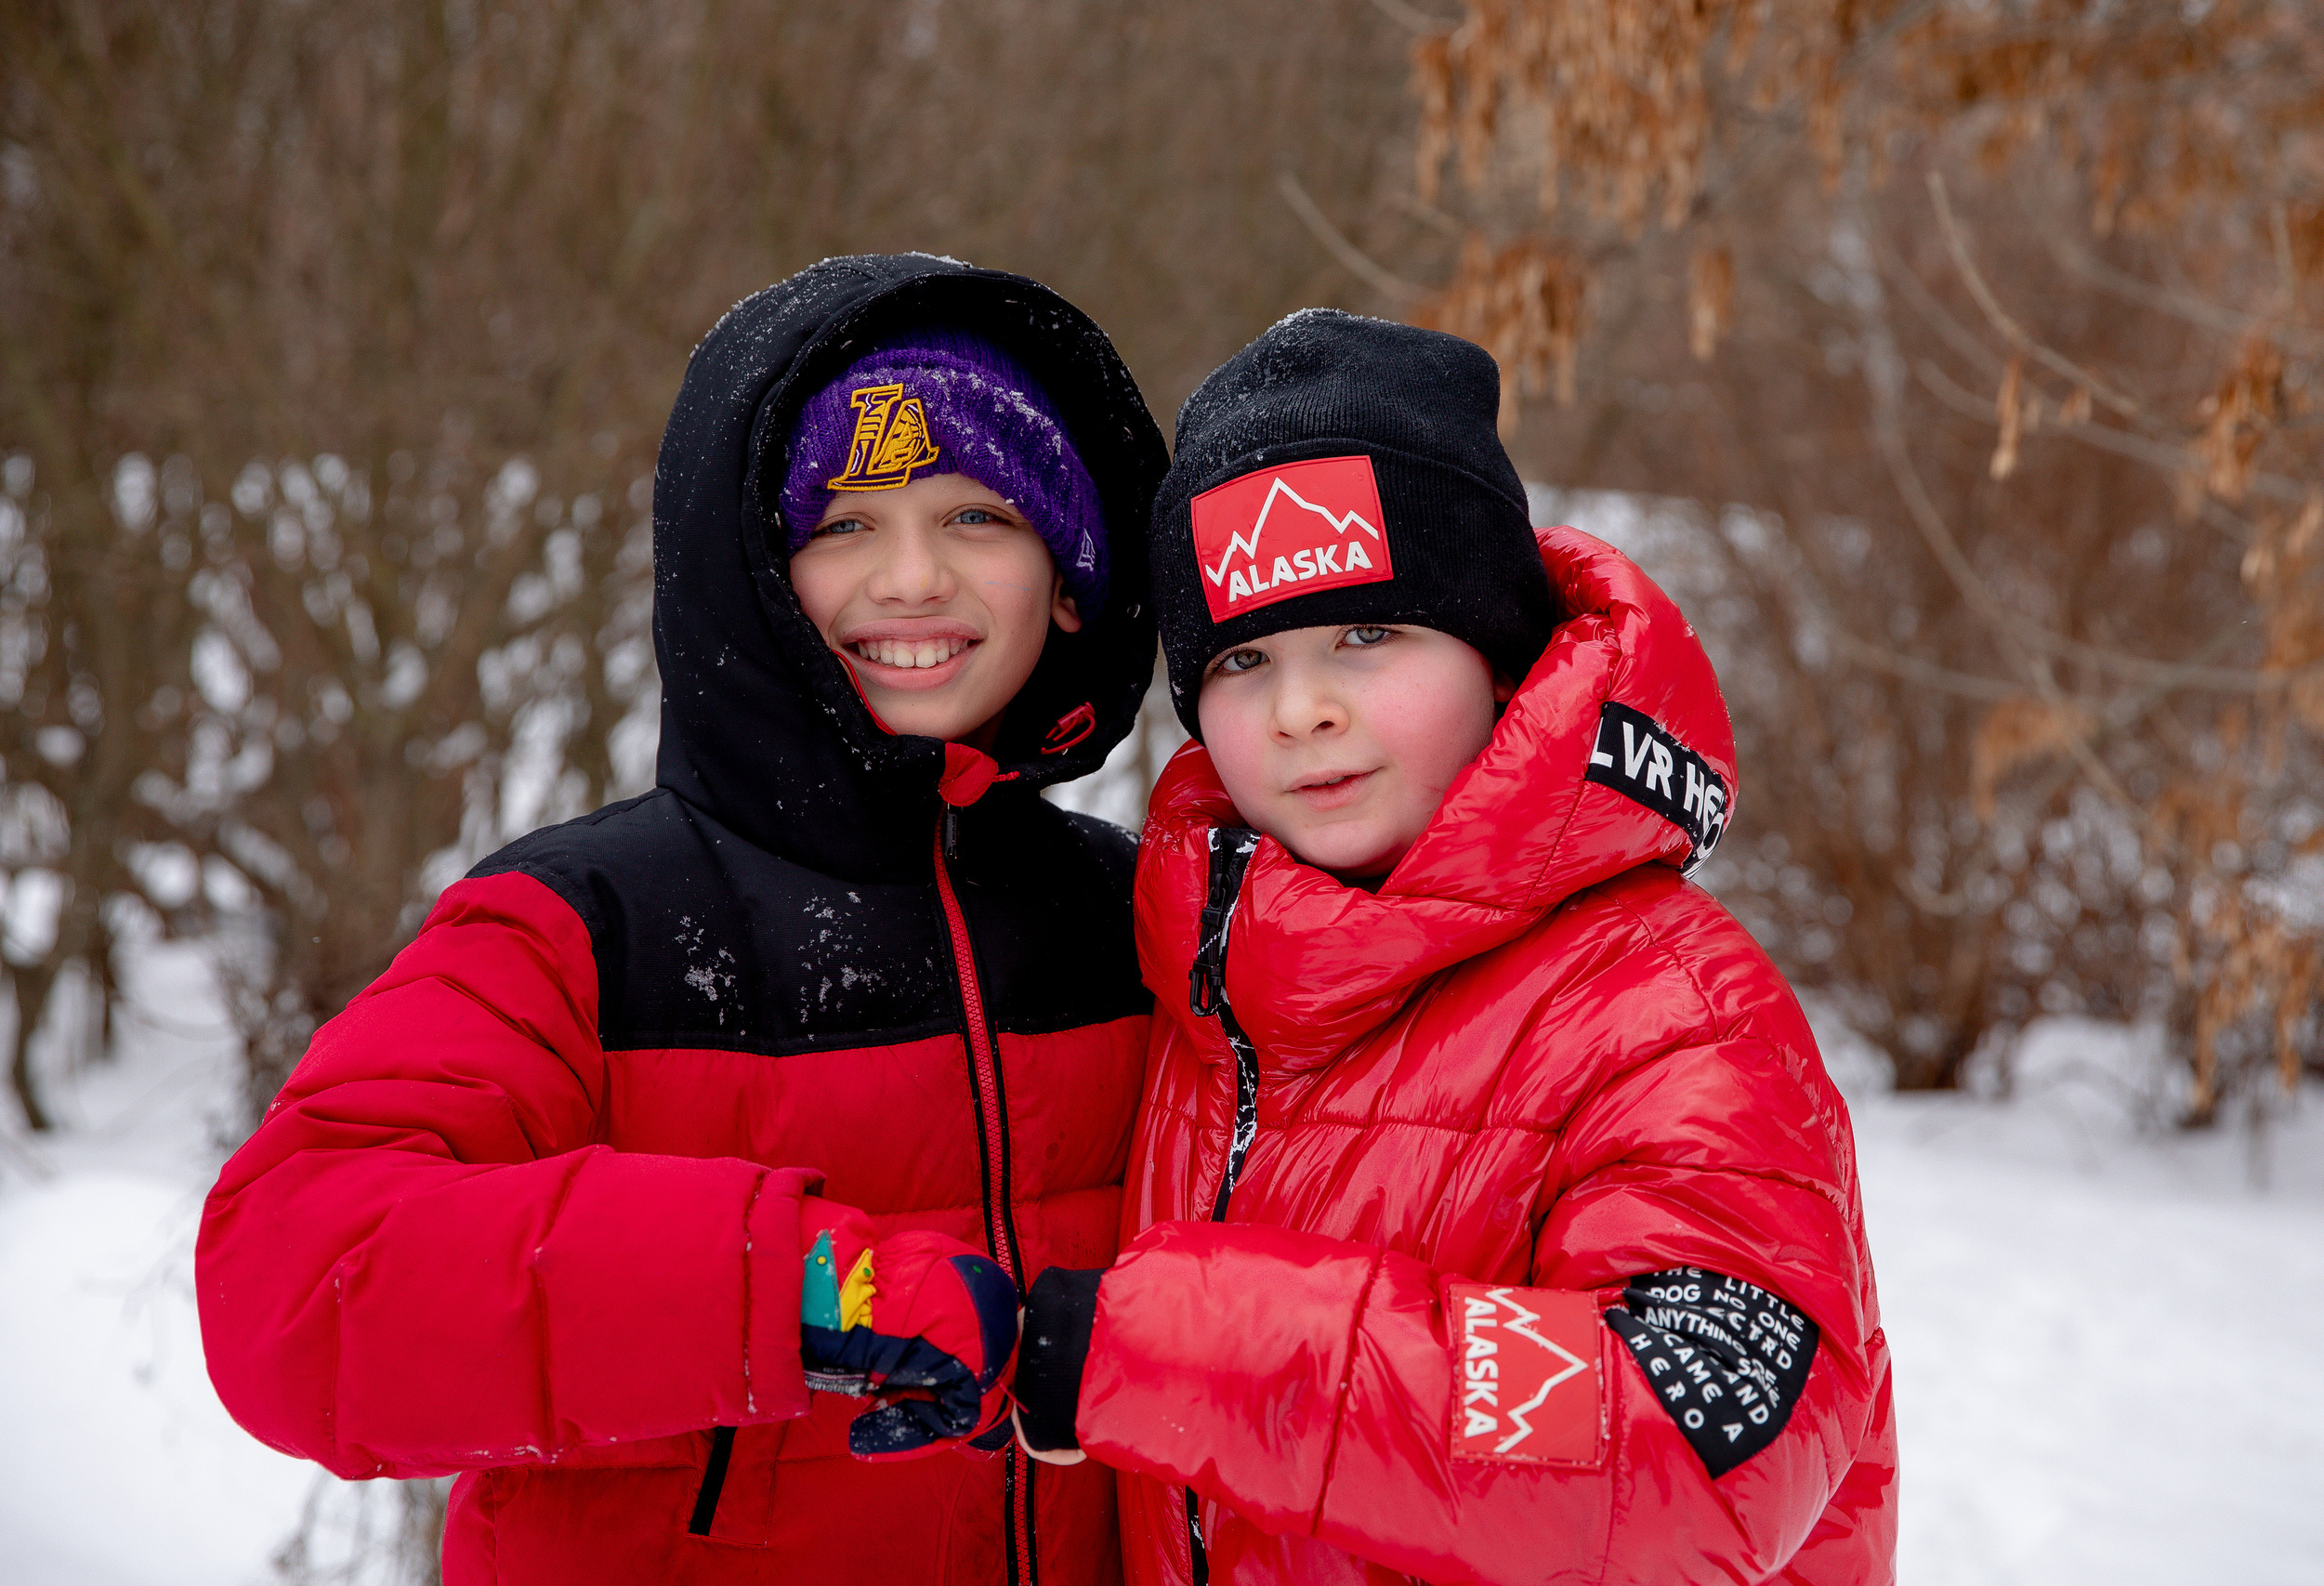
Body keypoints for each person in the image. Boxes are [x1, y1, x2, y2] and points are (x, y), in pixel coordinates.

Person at [197, 255, 1169, 1586]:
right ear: (754, 573)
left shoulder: (1141, 920)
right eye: (843, 525)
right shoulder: (584, 925)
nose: (911, 578)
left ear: (1068, 579)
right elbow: (297, 1286)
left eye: (976, 517)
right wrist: (800, 1290)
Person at [1005, 311, 1897, 1585]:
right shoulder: (1209, 985)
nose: (1303, 708)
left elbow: (1695, 1446)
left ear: (1498, 660)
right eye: (1245, 659)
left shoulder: (1669, 1009)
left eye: (1368, 637)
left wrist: (1185, 1354)